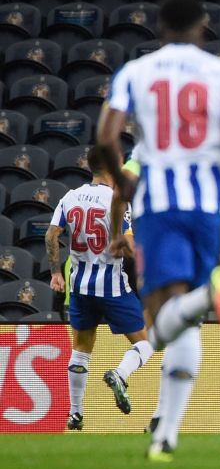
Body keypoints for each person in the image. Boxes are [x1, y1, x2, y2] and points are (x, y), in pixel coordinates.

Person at [96, 0, 220, 461]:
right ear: (203, 25)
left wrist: (126, 182)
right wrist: (213, 166)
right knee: (185, 324)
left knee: (159, 321)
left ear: (160, 26)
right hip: (206, 206)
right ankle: (165, 435)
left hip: (157, 205)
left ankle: (209, 295)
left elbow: (107, 136)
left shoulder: (135, 72)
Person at [120, 146, 220, 434]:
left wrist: (117, 230)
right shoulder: (213, 146)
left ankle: (161, 419)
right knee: (183, 328)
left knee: (160, 328)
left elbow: (123, 183)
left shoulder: (146, 144)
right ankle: (162, 421)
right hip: (202, 230)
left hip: (158, 230)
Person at [46, 146, 154, 431]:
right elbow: (126, 243)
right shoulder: (117, 201)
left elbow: (52, 234)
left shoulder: (70, 197)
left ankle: (76, 413)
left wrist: (56, 272)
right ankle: (120, 374)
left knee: (81, 349)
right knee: (147, 341)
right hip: (113, 287)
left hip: (80, 287)